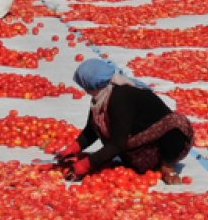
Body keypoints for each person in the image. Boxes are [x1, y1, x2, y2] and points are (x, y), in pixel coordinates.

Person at [54, 59, 196, 185]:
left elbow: (117, 144)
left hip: (163, 141)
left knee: (176, 124)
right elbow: (92, 129)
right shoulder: (101, 98)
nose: (84, 90)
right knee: (129, 159)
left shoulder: (120, 98)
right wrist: (74, 148)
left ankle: (167, 165)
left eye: (85, 86)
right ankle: (146, 163)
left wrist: (86, 164)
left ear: (92, 85)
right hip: (139, 145)